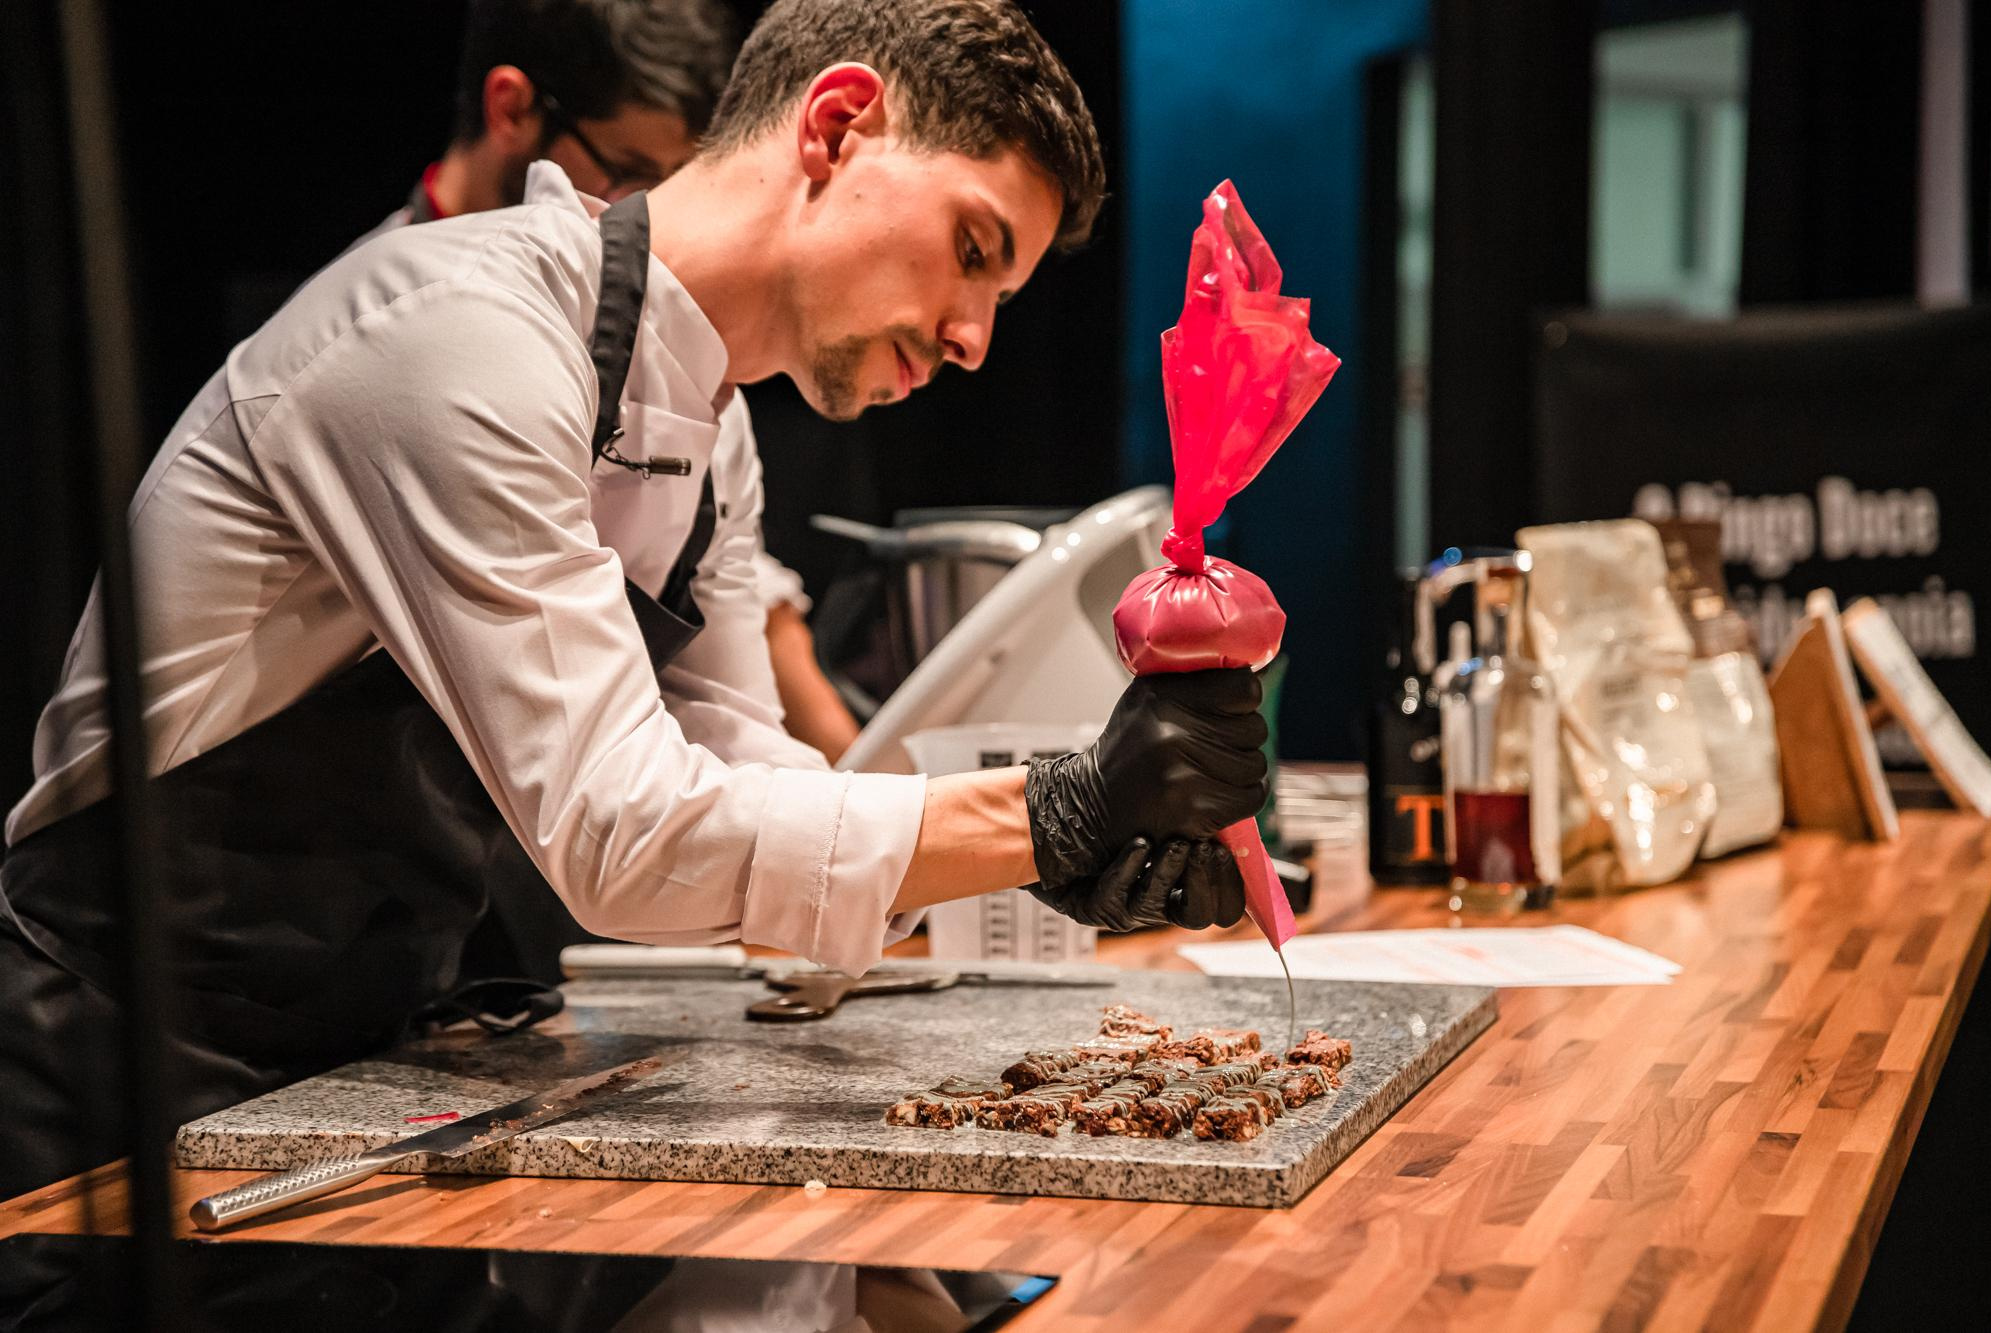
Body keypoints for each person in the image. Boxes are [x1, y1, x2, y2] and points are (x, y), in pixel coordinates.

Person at [0, 0, 1263, 1202]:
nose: (976, 338)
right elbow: (620, 837)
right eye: (974, 250)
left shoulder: (715, 440)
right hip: (121, 1089)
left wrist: (1038, 856)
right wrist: (1049, 811)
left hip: (353, 1060)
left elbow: (739, 761)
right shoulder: (465, 339)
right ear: (834, 126)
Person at [365, 0, 862, 764]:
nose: (661, 219)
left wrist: (867, 770)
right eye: (633, 175)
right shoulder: (404, 328)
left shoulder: (672, 355)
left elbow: (739, 614)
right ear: (512, 109)